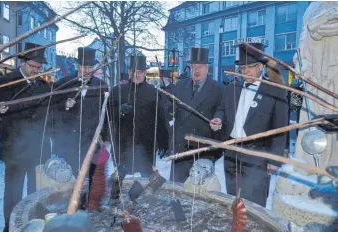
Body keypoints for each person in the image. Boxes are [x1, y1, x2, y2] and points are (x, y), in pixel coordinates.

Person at [211, 43, 289, 207]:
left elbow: (281, 128)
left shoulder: (275, 90)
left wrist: (275, 158)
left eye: (250, 67)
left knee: (253, 202)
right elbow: (222, 109)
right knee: (233, 199)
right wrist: (218, 119)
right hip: (231, 152)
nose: (245, 71)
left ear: (261, 66)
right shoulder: (233, 87)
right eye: (242, 67)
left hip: (257, 155)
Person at [0, 42, 51, 232]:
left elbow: (47, 114)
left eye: (38, 68)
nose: (35, 70)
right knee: (13, 192)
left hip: (36, 147)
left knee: (37, 191)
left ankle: (36, 225)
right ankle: (11, 227)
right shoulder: (6, 82)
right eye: (32, 66)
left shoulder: (42, 85)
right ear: (23, 62)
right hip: (14, 148)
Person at [168, 47, 224, 183]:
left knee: (199, 195)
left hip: (203, 150)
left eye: (200, 67)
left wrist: (219, 120)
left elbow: (222, 111)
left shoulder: (218, 89)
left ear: (207, 68)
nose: (196, 71)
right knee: (177, 188)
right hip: (181, 148)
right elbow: (170, 108)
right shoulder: (181, 85)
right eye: (193, 67)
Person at [107, 55, 169, 177]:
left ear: (145, 73)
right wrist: (119, 110)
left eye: (140, 72)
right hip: (123, 144)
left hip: (146, 145)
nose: (137, 75)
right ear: (130, 72)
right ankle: (114, 195)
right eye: (134, 71)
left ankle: (146, 196)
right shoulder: (117, 91)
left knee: (147, 178)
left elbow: (161, 118)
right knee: (119, 178)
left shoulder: (153, 92)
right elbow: (107, 115)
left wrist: (163, 141)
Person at [52, 47, 108, 179]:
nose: (86, 71)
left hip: (90, 142)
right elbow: (52, 108)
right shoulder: (63, 84)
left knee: (91, 179)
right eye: (83, 67)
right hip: (68, 142)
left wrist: (105, 137)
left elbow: (105, 113)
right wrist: (64, 105)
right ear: (77, 65)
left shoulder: (102, 86)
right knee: (70, 181)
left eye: (89, 67)